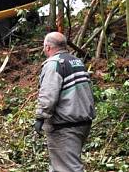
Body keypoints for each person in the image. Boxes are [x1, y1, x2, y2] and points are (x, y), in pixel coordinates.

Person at [35, 32, 95, 172]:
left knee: (68, 168)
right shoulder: (76, 61)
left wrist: (40, 117)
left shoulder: (54, 64)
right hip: (83, 122)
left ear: (48, 47)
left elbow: (48, 95)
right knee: (59, 165)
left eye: (44, 47)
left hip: (65, 125)